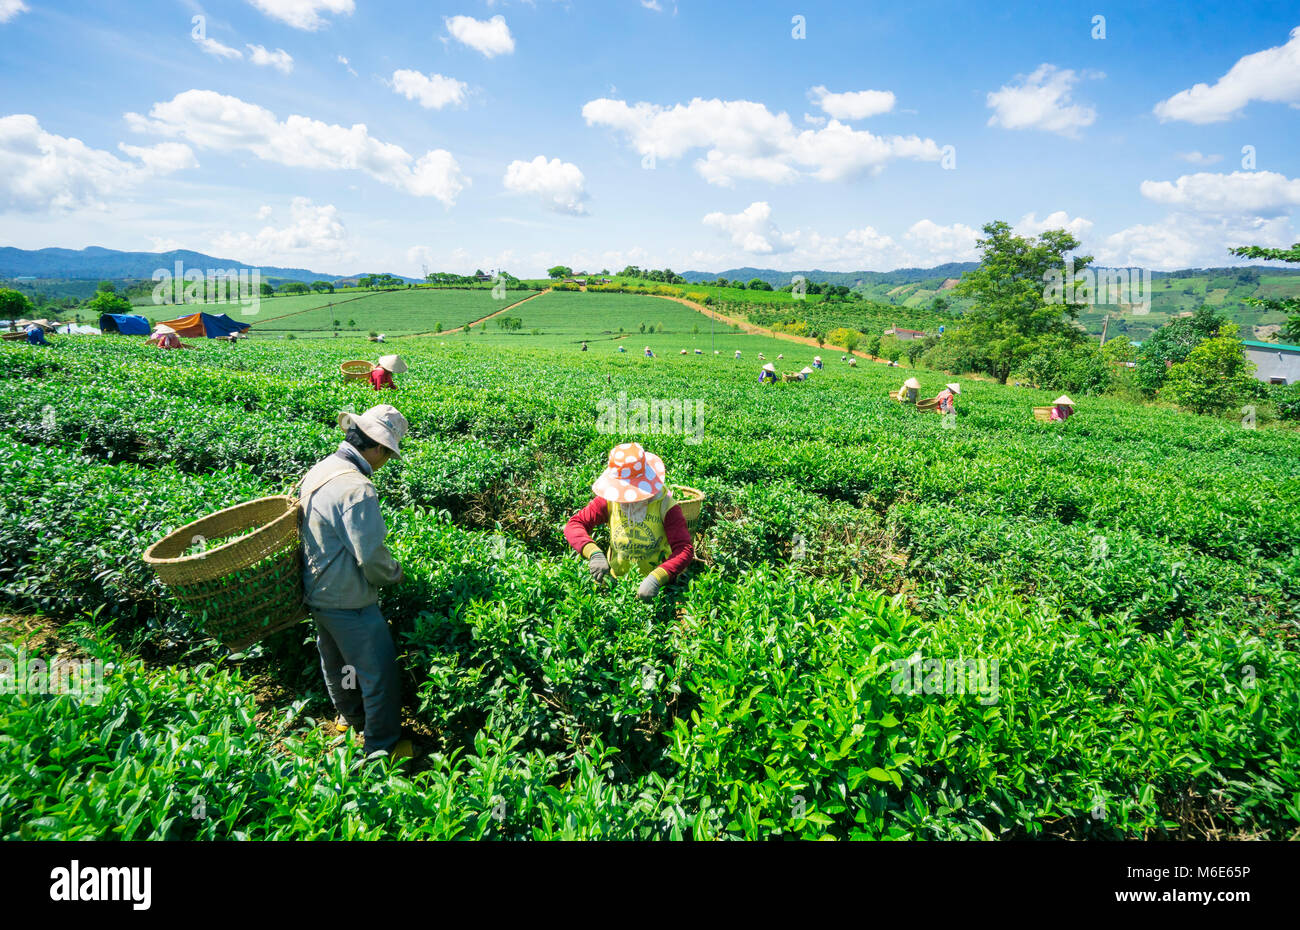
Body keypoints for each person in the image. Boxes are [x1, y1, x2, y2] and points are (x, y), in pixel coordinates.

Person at [298, 405, 410, 760]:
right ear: (376, 448)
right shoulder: (356, 487)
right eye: (388, 454)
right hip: (350, 600)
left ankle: (351, 718)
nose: (386, 461)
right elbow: (371, 556)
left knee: (340, 664)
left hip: (317, 590)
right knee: (379, 676)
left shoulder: (323, 468)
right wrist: (397, 575)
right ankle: (382, 750)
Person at [564, 442, 694, 603]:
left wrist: (657, 577)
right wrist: (593, 553)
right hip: (617, 584)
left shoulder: (665, 505)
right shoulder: (609, 500)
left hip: (659, 589)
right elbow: (575, 524)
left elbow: (684, 549)